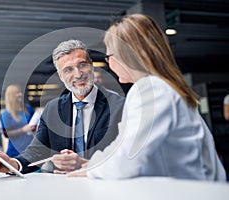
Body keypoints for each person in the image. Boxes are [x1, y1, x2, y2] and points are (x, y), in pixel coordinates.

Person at [69, 14, 226, 181]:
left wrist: (93, 170)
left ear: (128, 54)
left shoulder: (152, 90)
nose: (110, 64)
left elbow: (127, 160)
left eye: (109, 57)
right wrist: (94, 164)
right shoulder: (162, 88)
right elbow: (122, 146)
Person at [0, 39, 125, 174]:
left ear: (91, 65)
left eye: (82, 65)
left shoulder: (119, 106)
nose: (77, 74)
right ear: (60, 76)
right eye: (68, 70)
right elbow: (37, 151)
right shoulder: (52, 109)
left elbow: (127, 155)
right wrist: (12, 164)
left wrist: (85, 164)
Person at [1, 84, 36, 157]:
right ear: (11, 96)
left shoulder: (28, 108)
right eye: (17, 93)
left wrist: (34, 128)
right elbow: (6, 134)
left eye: (20, 92)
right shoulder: (6, 114)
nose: (20, 94)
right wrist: (23, 130)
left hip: (30, 150)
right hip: (14, 152)